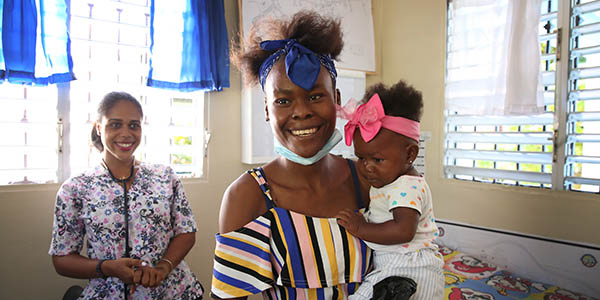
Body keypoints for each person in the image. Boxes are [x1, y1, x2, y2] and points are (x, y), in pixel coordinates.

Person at [211, 11, 372, 300]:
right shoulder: (247, 196)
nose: (301, 112)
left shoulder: (365, 180)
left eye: (314, 96)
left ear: (335, 99)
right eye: (283, 101)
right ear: (266, 109)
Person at [49, 91, 204, 300]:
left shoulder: (165, 177)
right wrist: (108, 268)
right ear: (98, 127)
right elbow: (62, 259)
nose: (126, 133)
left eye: (133, 125)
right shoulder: (75, 188)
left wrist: (162, 268)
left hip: (174, 293)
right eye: (115, 124)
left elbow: (186, 232)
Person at [335, 81, 444, 299]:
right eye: (361, 157)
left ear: (410, 154)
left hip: (409, 267)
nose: (367, 166)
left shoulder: (406, 185)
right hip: (400, 264)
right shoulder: (393, 181)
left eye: (377, 159)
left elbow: (403, 230)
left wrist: (360, 227)